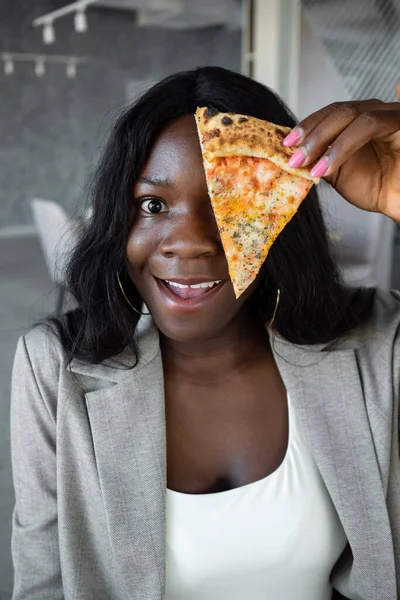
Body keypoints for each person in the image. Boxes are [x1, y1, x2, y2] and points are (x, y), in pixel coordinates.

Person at [10, 66, 400, 600]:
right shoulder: (53, 368)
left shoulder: (377, 343)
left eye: (226, 203)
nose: (188, 244)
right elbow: (43, 582)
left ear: (278, 213)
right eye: (152, 205)